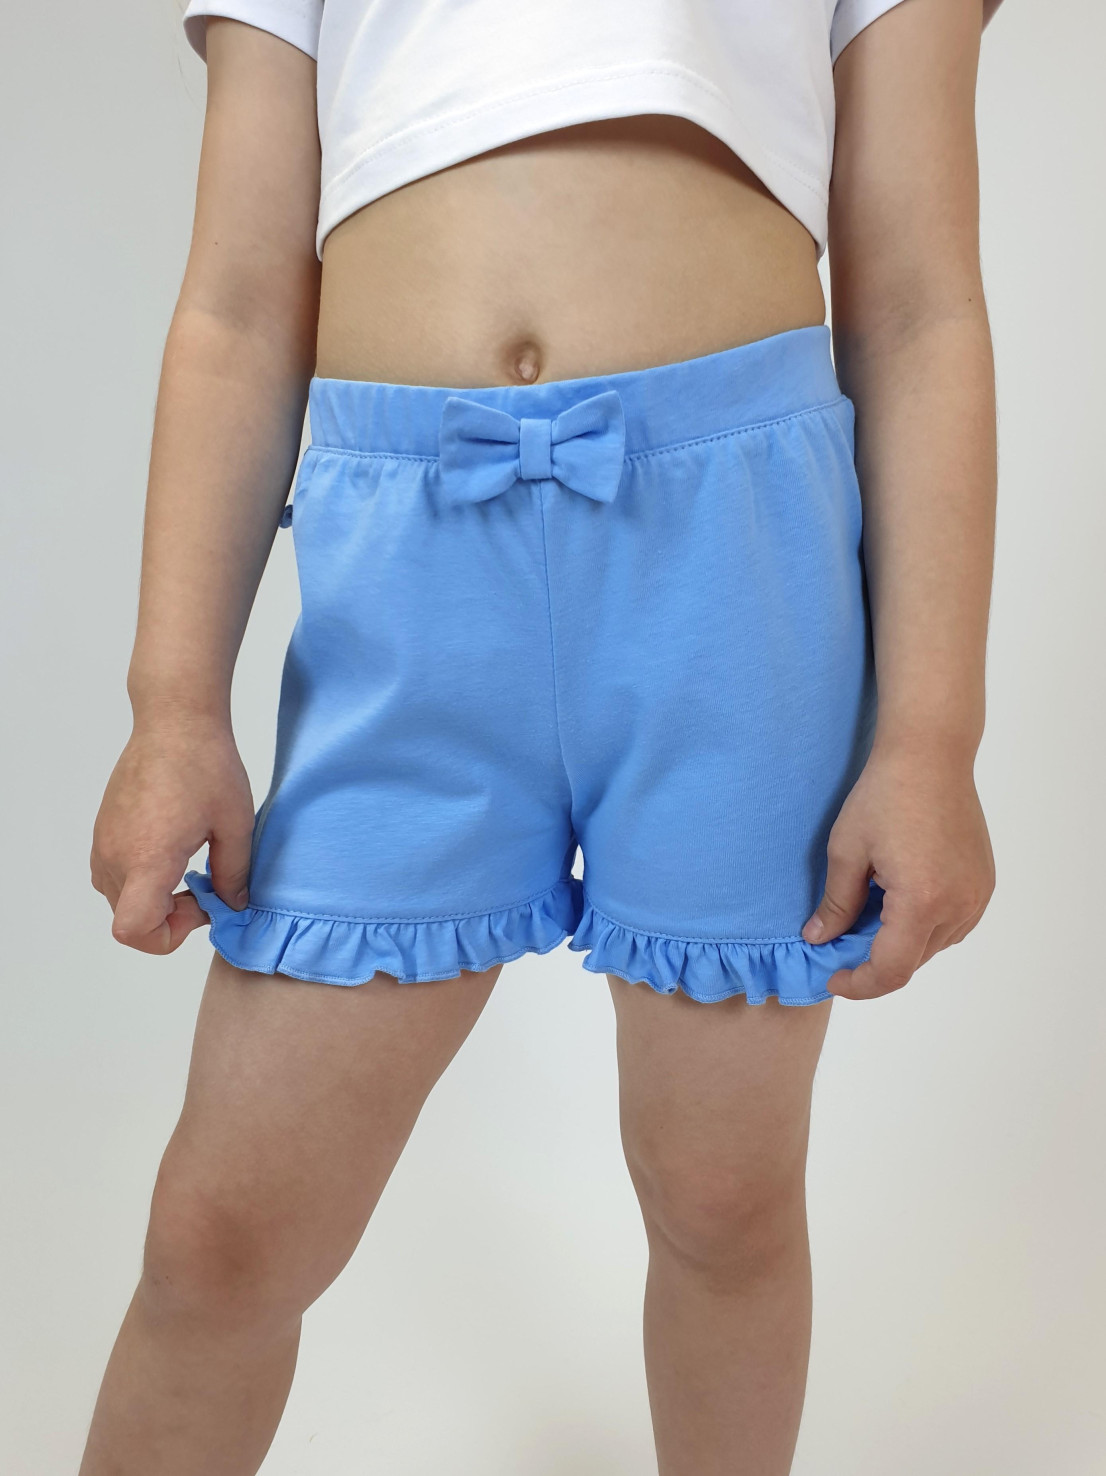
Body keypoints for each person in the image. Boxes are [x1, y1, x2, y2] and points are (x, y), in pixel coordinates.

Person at [81, 0, 1003, 1471]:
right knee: (222, 1235)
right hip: (406, 592)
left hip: (730, 581)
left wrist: (933, 741)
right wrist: (172, 705)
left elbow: (917, 306)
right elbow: (240, 305)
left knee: (721, 1200)